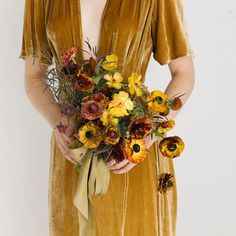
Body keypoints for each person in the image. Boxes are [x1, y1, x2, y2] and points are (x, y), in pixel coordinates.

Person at [19, 0, 195, 235]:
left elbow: (184, 74)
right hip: (73, 148)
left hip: (132, 152)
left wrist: (147, 134)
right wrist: (58, 120)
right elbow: (33, 77)